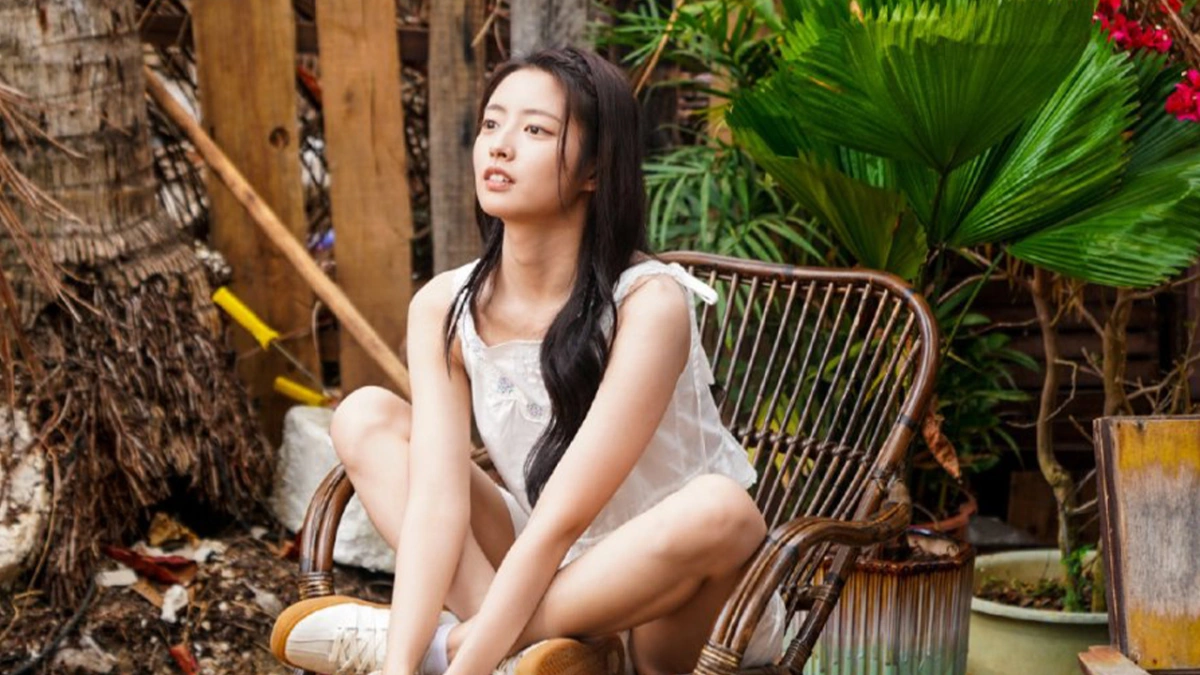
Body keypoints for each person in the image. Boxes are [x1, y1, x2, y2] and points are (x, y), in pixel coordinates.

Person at [269, 46, 786, 675]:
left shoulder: (647, 304)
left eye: (536, 130)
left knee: (722, 510)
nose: (500, 146)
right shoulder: (445, 306)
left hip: (677, 604)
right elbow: (436, 504)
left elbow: (560, 520)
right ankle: (528, 656)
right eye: (492, 123)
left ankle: (463, 648)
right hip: (537, 577)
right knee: (365, 415)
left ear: (594, 168)